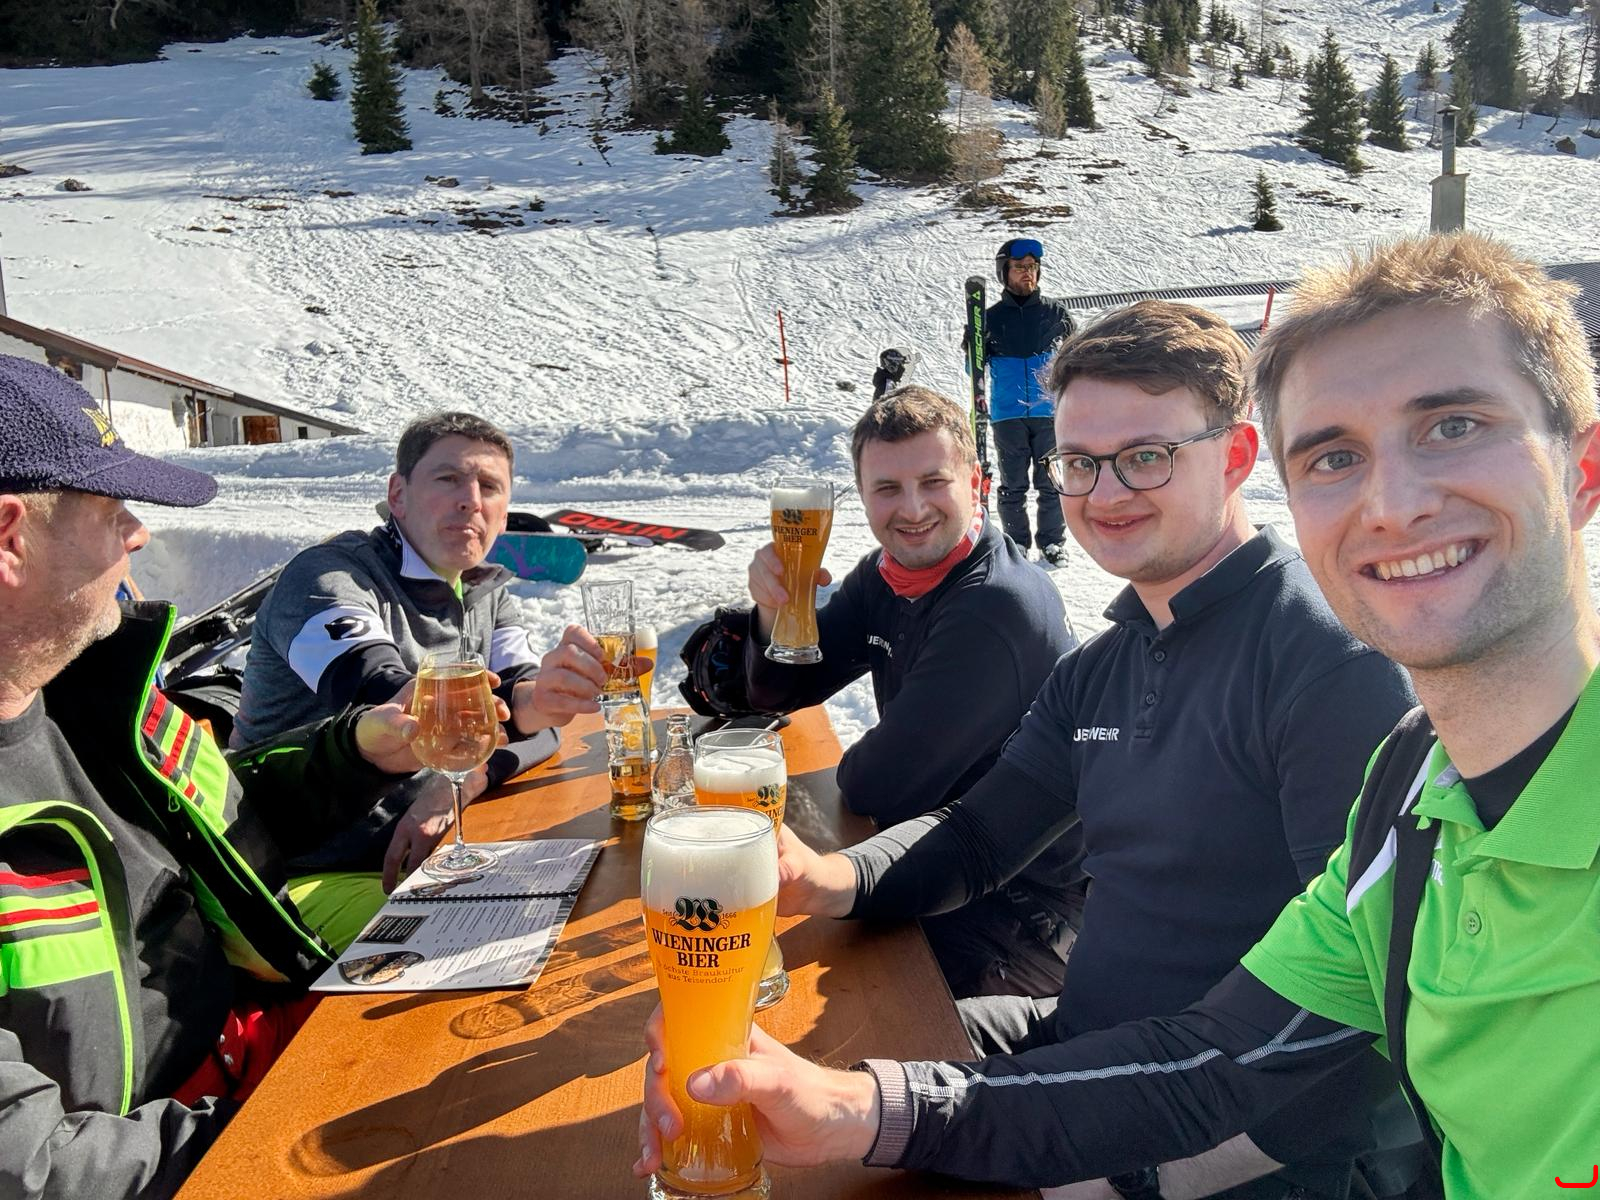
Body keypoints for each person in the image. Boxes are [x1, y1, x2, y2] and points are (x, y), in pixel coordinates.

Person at [638, 234, 1600, 1198]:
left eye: (1145, 457)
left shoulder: (1327, 662)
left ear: (1236, 459)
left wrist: (1133, 1182)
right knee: (779, 1081)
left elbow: (1341, 1059)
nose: (1106, 494)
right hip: (1101, 1052)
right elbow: (980, 835)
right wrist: (823, 880)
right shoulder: (1116, 665)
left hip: (1246, 1153)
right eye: (1080, 464)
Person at [0, 354, 443, 1198]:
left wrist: (361, 751)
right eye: (113, 511)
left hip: (259, 1043)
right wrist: (291, 1129)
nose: (138, 534)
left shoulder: (84, 688)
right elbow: (31, 1167)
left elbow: (226, 822)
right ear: (10, 538)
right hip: (189, 1147)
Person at [689, 385, 1081, 998]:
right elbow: (780, 690)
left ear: (974, 482)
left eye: (933, 482)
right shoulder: (887, 574)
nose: (913, 508)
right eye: (888, 488)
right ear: (863, 496)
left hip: (1028, 909)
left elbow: (877, 783)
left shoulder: (996, 607)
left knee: (802, 987)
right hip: (934, 854)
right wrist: (775, 609)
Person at [234, 412, 611, 892]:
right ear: (398, 495)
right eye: (448, 479)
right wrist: (525, 712)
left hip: (432, 851)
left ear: (504, 512)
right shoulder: (329, 577)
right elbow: (391, 699)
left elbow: (538, 721)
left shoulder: (485, 591)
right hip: (300, 873)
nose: (471, 500)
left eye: (489, 486)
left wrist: (471, 775)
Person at [984, 237, 1074, 565]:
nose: (1028, 273)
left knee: (1051, 482)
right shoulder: (989, 319)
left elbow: (1074, 361)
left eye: (1033, 267)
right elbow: (973, 371)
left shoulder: (1055, 314)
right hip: (1007, 414)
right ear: (1004, 272)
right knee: (1013, 485)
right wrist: (973, 347)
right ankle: (1016, 544)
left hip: (1047, 411)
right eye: (1020, 267)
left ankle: (1052, 543)